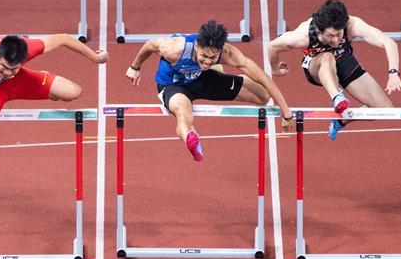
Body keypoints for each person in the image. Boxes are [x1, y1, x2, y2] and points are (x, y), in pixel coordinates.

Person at [125, 20, 293, 162]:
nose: (207, 61)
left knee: (263, 96)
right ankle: (191, 139)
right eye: (203, 56)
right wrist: (135, 66)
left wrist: (286, 112)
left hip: (201, 79)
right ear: (197, 46)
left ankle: (230, 76)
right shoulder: (174, 48)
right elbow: (149, 45)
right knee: (182, 112)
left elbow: (263, 77)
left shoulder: (227, 52)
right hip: (173, 85)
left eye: (213, 58)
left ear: (220, 51)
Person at [0, 27, 108, 158]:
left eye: (13, 68)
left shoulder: (28, 48)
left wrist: (95, 58)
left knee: (73, 92)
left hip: (18, 82)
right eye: (4, 67)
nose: (7, 73)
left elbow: (63, 38)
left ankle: (43, 82)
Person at [267, 0, 401, 140]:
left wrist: (393, 73)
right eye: (330, 36)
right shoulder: (303, 35)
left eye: (339, 35)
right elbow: (272, 46)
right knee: (327, 57)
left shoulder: (352, 24)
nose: (336, 40)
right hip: (317, 66)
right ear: (320, 31)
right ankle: (337, 96)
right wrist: (275, 68)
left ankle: (341, 120)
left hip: (343, 61)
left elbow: (389, 43)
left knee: (385, 109)